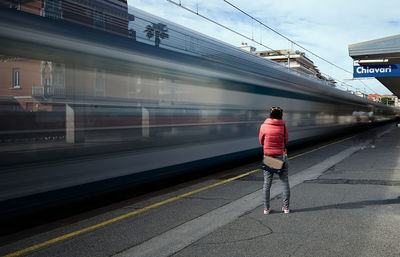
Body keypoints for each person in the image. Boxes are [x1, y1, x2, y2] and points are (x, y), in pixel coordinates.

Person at [259, 106, 290, 214]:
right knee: (285, 182)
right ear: (280, 115)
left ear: (270, 114)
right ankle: (286, 208)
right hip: (281, 157)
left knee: (267, 183)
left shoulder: (264, 126)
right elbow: (286, 140)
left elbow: (261, 141)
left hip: (268, 158)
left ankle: (266, 209)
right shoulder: (283, 126)